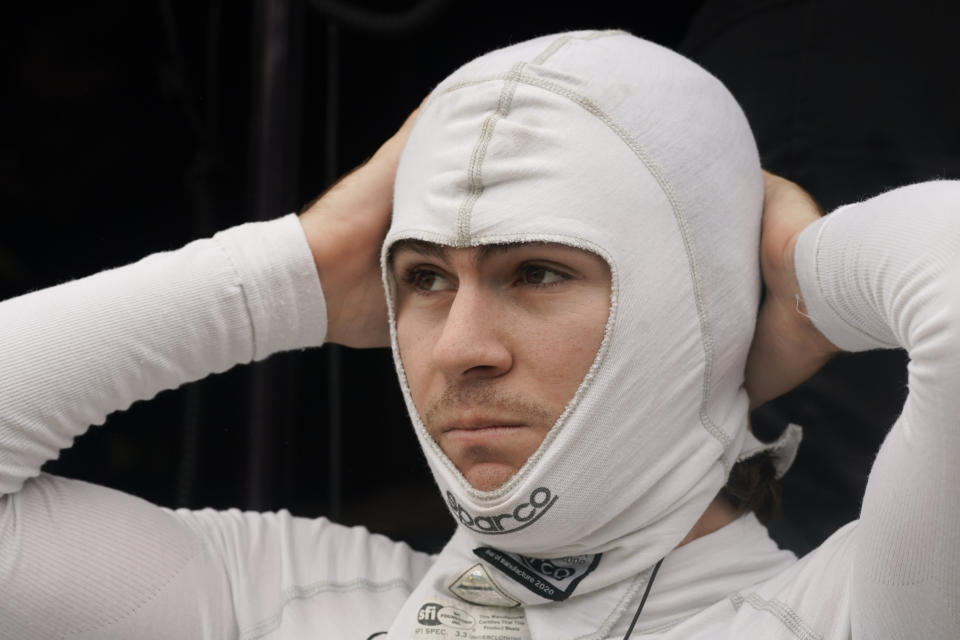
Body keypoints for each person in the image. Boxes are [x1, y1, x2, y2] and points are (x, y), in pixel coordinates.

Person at [0, 29, 956, 639]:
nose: (459, 349)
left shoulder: (856, 613)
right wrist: (292, 270)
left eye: (536, 272)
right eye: (421, 279)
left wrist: (804, 279)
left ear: (692, 301)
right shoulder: (283, 600)